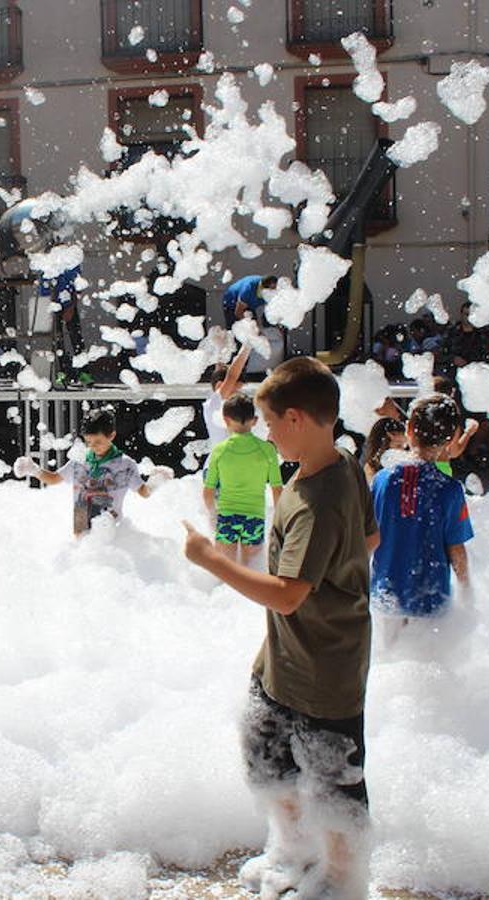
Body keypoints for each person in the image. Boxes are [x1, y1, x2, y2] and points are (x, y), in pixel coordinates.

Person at [182, 357, 380, 899]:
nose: (267, 434)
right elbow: (369, 541)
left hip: (325, 671)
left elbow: (289, 595)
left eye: (271, 424)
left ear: (295, 418)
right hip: (283, 662)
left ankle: (341, 883)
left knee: (334, 787)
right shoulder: (340, 462)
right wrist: (337, 581)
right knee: (267, 759)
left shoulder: (320, 499)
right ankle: (292, 855)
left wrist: (210, 559)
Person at [369, 395, 474, 645]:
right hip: (430, 595)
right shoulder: (449, 489)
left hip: (386, 592)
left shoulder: (382, 480)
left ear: (408, 429)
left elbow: (366, 536)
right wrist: (467, 592)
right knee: (427, 667)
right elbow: (456, 549)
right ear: (449, 441)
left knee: (390, 663)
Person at [13, 407, 173, 535]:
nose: (93, 446)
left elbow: (143, 492)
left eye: (98, 441)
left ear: (112, 436)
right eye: (88, 442)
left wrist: (155, 481)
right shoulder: (80, 460)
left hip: (110, 532)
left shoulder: (125, 464)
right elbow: (55, 478)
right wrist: (33, 469)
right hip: (81, 532)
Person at [202, 394, 283, 565]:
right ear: (254, 421)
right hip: (255, 518)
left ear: (225, 420)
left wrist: (212, 517)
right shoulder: (267, 450)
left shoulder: (219, 451)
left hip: (226, 516)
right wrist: (279, 523)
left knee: (227, 572)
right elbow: (277, 490)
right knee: (250, 572)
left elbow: (208, 492)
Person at [39, 265, 90, 386]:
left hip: (68, 303)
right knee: (58, 342)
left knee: (76, 340)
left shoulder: (70, 262)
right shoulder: (48, 263)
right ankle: (61, 376)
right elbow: (44, 289)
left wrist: (71, 306)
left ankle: (84, 375)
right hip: (53, 305)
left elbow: (77, 287)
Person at [203, 337, 253, 449]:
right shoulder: (214, 404)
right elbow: (231, 376)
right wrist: (247, 345)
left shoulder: (219, 405)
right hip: (220, 463)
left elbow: (223, 374)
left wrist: (219, 350)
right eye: (235, 391)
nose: (238, 395)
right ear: (220, 386)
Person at [361, 417, 407, 484]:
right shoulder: (371, 469)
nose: (402, 451)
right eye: (398, 446)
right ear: (384, 446)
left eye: (405, 447)